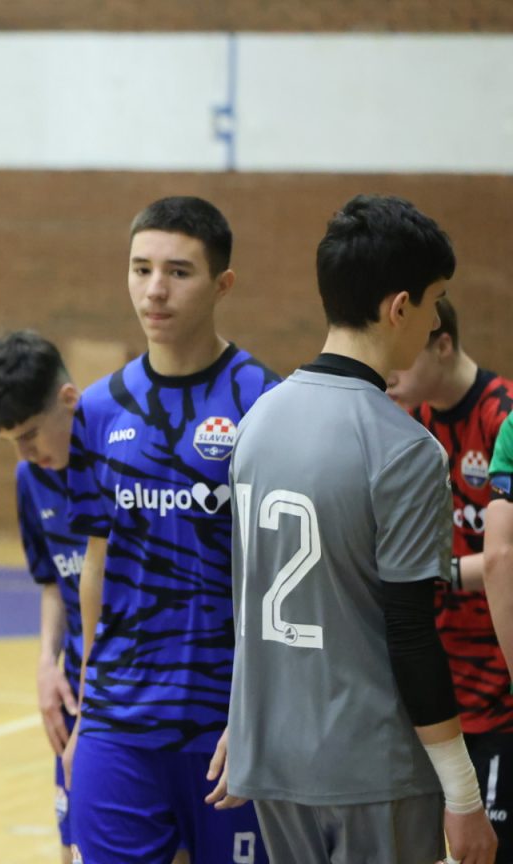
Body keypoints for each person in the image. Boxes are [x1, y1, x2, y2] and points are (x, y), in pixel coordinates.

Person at [225, 194, 498, 863]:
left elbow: (247, 598)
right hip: (371, 769)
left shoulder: (256, 422)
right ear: (400, 307)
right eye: (434, 301)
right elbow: (411, 632)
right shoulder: (404, 448)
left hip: (272, 761)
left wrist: (243, 728)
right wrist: (463, 793)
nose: (434, 320)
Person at [64, 196, 275, 863]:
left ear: (222, 284)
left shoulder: (265, 404)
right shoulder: (99, 408)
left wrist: (260, 714)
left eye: (178, 272)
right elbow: (97, 561)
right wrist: (88, 705)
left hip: (229, 723)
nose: (154, 289)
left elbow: (279, 578)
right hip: (119, 722)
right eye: (141, 269)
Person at [389, 297, 513, 856]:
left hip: (498, 692)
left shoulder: (502, 416)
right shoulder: (407, 422)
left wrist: (436, 573)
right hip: (431, 690)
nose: (389, 372)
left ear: (442, 345)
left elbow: (505, 558)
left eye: (403, 357)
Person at [0, 330, 85, 864]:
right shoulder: (30, 478)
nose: (25, 454)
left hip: (128, 697)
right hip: (77, 693)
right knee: (71, 846)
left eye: (31, 435)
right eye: (11, 442)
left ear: (69, 400)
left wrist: (101, 715)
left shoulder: (120, 464)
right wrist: (46, 662)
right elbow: (55, 581)